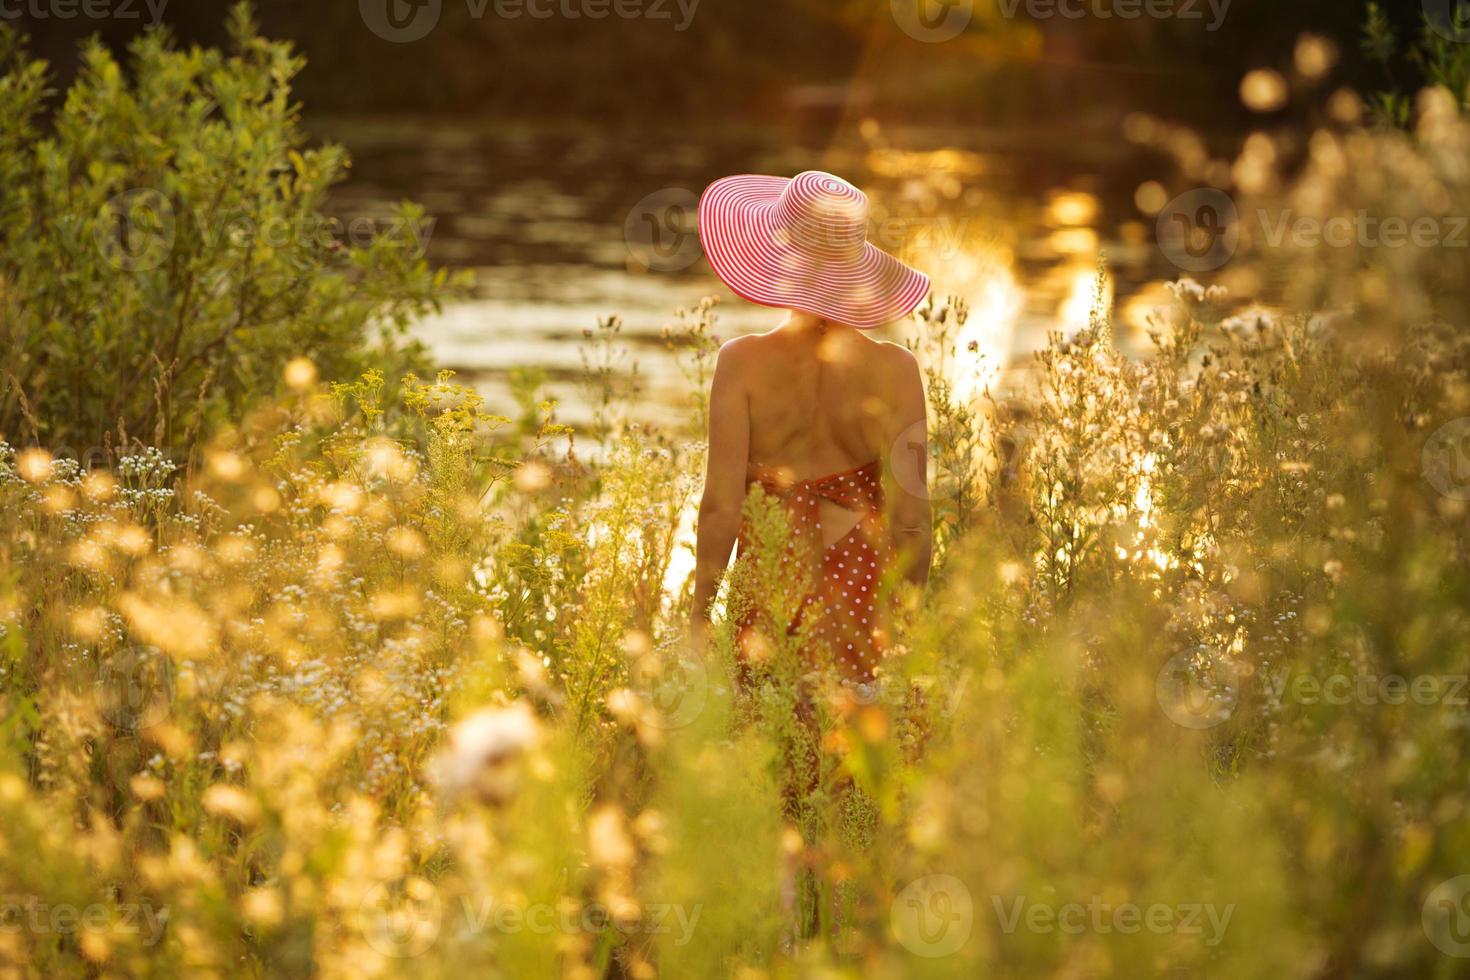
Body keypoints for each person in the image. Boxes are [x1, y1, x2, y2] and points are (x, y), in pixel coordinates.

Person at [688, 170, 933, 680]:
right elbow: (911, 517)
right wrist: (909, 622)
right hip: (862, 586)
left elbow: (720, 508)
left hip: (769, 577)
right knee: (855, 744)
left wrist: (699, 618)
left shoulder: (742, 363)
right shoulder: (897, 370)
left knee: (763, 736)